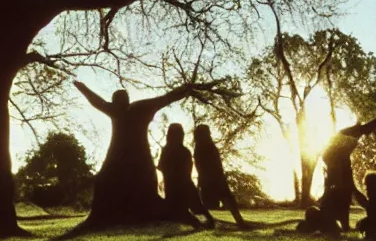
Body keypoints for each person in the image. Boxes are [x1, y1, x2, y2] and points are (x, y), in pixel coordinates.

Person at [74, 81, 211, 227]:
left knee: (106, 180)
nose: (120, 104)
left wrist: (186, 89)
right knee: (103, 180)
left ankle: (186, 216)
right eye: (118, 101)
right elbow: (167, 98)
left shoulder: (136, 109)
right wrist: (82, 87)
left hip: (137, 165)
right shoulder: (127, 110)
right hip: (125, 164)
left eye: (121, 100)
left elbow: (167, 98)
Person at [317, 113, 376, 232]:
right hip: (334, 159)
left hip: (336, 159)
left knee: (348, 188)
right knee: (345, 188)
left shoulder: (344, 144)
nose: (366, 134)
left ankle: (342, 221)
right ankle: (339, 220)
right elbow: (369, 127)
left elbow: (351, 188)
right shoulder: (346, 135)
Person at [158, 124, 213, 227]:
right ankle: (202, 224)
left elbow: (161, 167)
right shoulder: (183, 151)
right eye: (181, 133)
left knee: (192, 209)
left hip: (177, 186)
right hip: (182, 185)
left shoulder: (168, 150)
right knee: (193, 208)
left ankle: (201, 224)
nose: (182, 135)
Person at [193, 124, 247, 227]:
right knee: (222, 201)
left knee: (218, 202)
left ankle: (238, 222)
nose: (209, 134)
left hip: (209, 179)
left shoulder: (200, 147)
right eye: (207, 132)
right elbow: (213, 164)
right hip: (214, 178)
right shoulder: (205, 147)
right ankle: (239, 222)